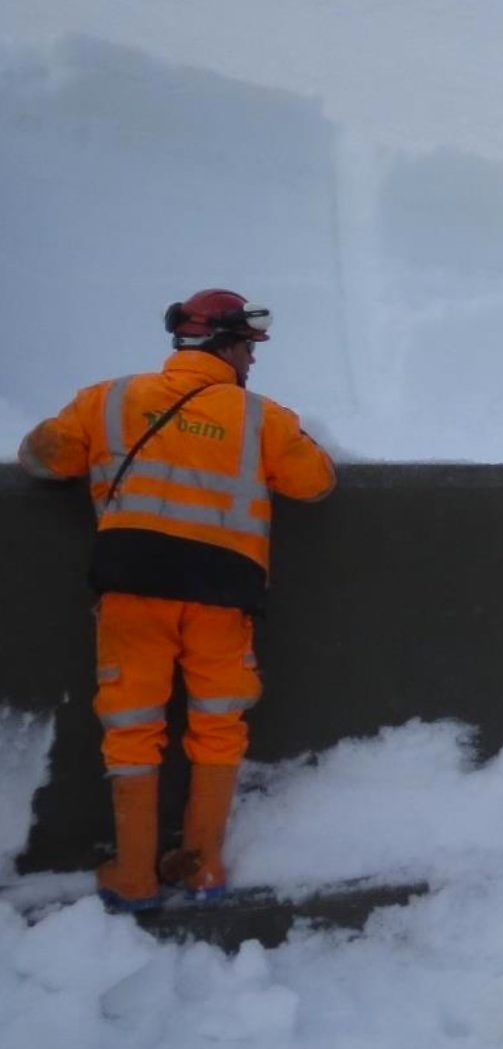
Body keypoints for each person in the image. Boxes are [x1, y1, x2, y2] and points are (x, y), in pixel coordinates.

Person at [16, 289, 335, 910]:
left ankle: (133, 877)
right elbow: (316, 484)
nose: (252, 362)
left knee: (131, 727)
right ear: (229, 346)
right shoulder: (260, 418)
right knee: (218, 726)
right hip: (222, 592)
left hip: (133, 589)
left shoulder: (107, 400)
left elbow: (40, 458)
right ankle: (202, 867)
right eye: (250, 349)